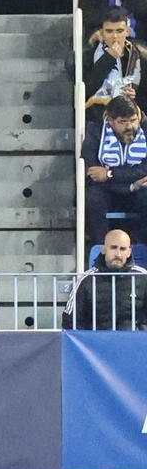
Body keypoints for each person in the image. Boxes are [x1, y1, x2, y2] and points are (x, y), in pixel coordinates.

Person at [84, 95, 147, 244]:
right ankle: (101, 250)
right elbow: (94, 173)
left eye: (133, 120)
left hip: (139, 188)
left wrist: (110, 174)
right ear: (110, 121)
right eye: (123, 122)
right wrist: (130, 184)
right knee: (94, 198)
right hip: (108, 190)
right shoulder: (95, 131)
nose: (130, 127)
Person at [65, 226, 147, 331]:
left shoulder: (143, 277)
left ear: (129, 252)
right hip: (95, 345)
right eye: (113, 247)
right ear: (103, 249)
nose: (118, 254)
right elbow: (70, 321)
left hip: (133, 344)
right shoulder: (86, 280)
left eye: (123, 249)